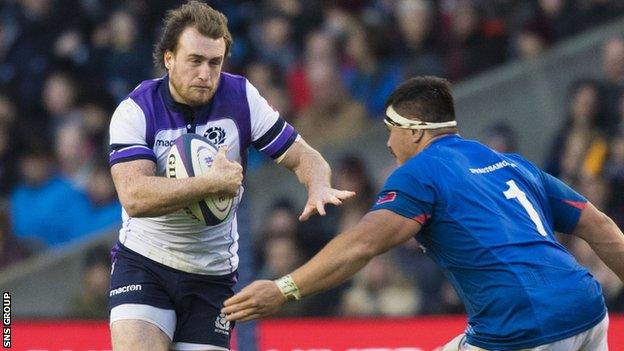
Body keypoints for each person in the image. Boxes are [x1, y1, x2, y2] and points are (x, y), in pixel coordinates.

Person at [222, 76, 624, 351]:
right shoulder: (512, 164)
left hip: (524, 325)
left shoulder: (421, 172)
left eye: (390, 129)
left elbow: (362, 244)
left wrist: (284, 288)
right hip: (587, 309)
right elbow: (601, 226)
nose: (388, 142)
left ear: (415, 130)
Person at [107, 2, 354, 351]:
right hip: (147, 263)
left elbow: (304, 155)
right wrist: (210, 183)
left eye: (215, 63)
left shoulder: (241, 98)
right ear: (168, 59)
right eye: (195, 60)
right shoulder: (136, 110)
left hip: (212, 276)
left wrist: (318, 184)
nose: (206, 74)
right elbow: (134, 197)